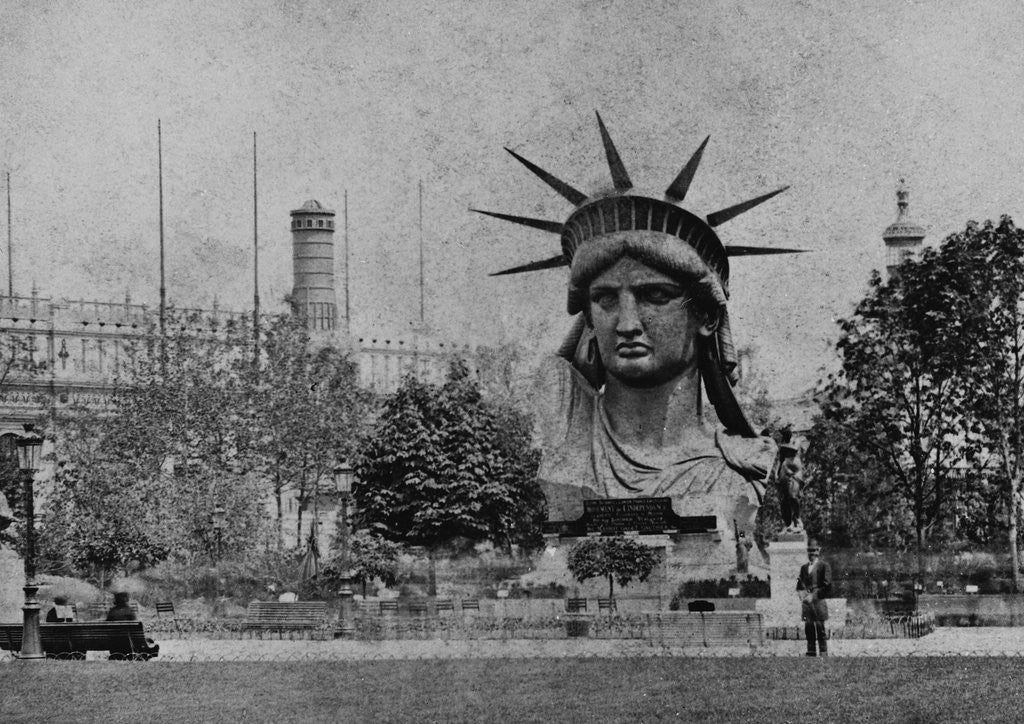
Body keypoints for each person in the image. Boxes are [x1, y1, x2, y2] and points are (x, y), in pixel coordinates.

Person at [479, 115, 792, 551]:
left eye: (654, 296)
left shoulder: (730, 469)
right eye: (605, 299)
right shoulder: (572, 449)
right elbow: (558, 373)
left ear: (706, 317)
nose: (626, 324)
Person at [797, 539, 832, 657]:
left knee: (820, 627)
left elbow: (827, 586)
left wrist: (814, 595)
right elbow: (799, 584)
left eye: (814, 550)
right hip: (807, 602)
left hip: (818, 602)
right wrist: (802, 596)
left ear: (819, 550)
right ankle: (811, 652)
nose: (812, 554)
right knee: (809, 628)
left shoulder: (824, 566)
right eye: (810, 551)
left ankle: (823, 652)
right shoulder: (803, 568)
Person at [106, 591, 159, 660]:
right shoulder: (129, 611)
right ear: (126, 599)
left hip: (114, 645)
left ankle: (147, 650)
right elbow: (136, 627)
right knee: (135, 634)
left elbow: (107, 624)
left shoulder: (112, 611)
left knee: (133, 634)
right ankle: (147, 650)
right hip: (128, 644)